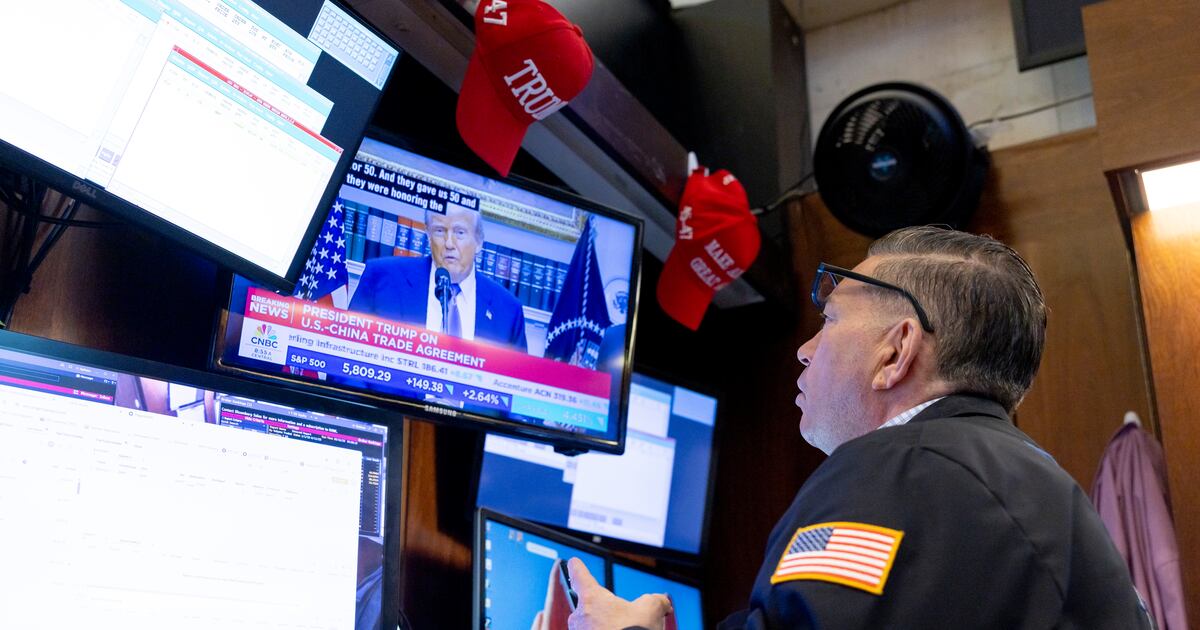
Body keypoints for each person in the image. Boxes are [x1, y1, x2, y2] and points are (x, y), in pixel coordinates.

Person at [555, 226, 1151, 629]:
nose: (805, 350)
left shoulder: (901, 468)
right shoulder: (1031, 482)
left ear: (896, 352)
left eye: (832, 320)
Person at [348, 204, 527, 351]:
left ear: (479, 241)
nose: (449, 243)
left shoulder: (509, 312)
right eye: (440, 231)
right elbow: (347, 355)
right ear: (428, 235)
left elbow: (514, 381)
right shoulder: (382, 277)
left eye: (460, 232)